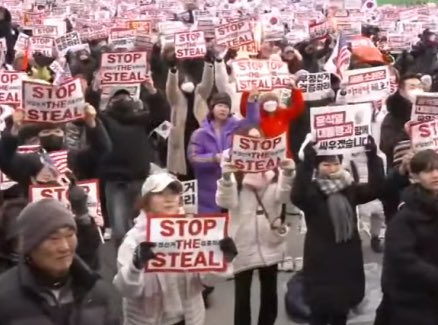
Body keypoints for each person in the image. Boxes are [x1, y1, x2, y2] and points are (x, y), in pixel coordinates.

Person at [0, 199, 121, 325]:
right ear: (29, 246)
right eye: (54, 238)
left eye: (69, 235)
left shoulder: (97, 293)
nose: (65, 247)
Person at [113, 172, 238, 325]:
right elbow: (125, 290)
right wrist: (136, 266)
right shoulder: (134, 240)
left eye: (173, 192)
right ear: (146, 201)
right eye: (160, 193)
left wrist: (223, 259)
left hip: (189, 319)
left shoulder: (194, 234)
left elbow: (206, 280)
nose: (169, 198)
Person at [291, 136, 384, 325]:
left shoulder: (350, 189)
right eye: (326, 164)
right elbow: (297, 195)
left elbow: (376, 188)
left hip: (347, 258)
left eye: (335, 164)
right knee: (318, 314)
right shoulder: (312, 192)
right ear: (318, 167)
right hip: (320, 260)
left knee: (341, 313)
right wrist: (306, 162)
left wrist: (372, 157)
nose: (332, 168)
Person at [377, 150, 438, 325]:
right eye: (428, 171)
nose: (436, 175)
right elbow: (403, 259)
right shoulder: (405, 215)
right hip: (414, 305)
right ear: (415, 176)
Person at [216, 125, 295, 325]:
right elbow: (226, 203)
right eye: (249, 141)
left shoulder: (274, 170)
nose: (255, 145)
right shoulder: (234, 171)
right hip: (243, 239)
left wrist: (288, 173)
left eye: (258, 140)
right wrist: (226, 179)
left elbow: (283, 197)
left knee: (270, 292)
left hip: (270, 237)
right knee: (242, 294)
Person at [99, 81, 168, 247]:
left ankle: (141, 266)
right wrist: (94, 90)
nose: (123, 99)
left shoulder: (142, 119)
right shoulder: (105, 121)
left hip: (141, 181)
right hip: (117, 183)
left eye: (126, 96)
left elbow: (161, 114)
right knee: (120, 231)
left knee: (144, 228)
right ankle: (123, 267)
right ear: (110, 102)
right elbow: (89, 114)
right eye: (117, 97)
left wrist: (152, 90)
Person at [189, 94, 258, 214]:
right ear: (212, 108)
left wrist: (251, 103)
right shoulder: (199, 134)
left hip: (233, 185)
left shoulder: (237, 128)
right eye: (220, 105)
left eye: (226, 106)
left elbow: (253, 123)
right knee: (213, 227)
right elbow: (193, 158)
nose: (223, 109)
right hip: (208, 188)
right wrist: (214, 158)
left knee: (232, 224)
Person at [379, 74, 423, 222]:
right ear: (402, 91)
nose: (417, 90)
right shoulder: (392, 117)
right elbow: (387, 145)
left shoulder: (430, 113)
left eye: (420, 87)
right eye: (412, 87)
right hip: (400, 177)